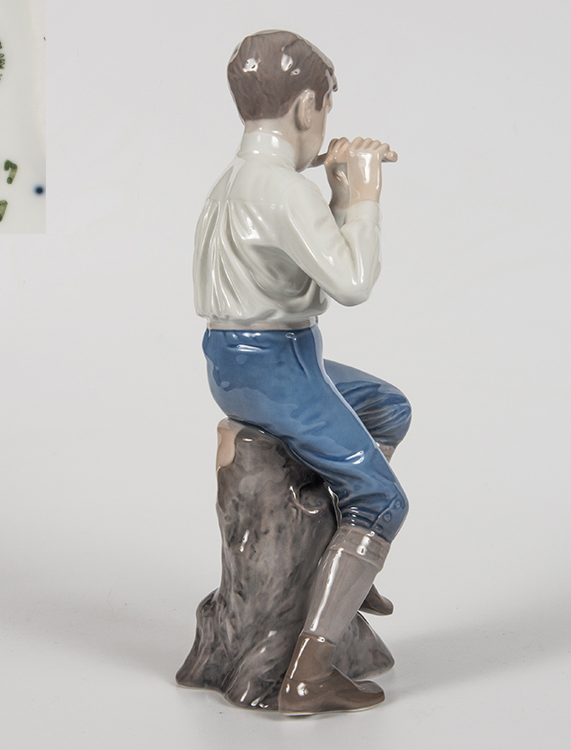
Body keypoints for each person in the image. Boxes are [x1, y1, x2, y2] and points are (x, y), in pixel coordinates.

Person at [193, 30, 411, 715]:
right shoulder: (283, 191)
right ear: (308, 106)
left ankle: (344, 559)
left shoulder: (232, 182)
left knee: (388, 406)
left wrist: (334, 192)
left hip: (235, 360)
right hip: (276, 363)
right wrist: (363, 196)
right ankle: (310, 672)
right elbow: (352, 283)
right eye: (326, 106)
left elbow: (298, 262)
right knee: (384, 500)